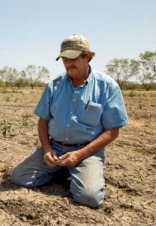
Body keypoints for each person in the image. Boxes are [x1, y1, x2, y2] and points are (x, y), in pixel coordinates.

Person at [10, 34, 128, 208]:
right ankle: (62, 169)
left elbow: (113, 131)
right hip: (55, 148)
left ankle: (80, 171)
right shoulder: (54, 85)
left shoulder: (107, 86)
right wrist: (47, 149)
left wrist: (79, 155)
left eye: (73, 58)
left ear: (88, 56)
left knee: (90, 198)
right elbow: (43, 122)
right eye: (64, 58)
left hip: (86, 152)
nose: (68, 63)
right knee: (19, 177)